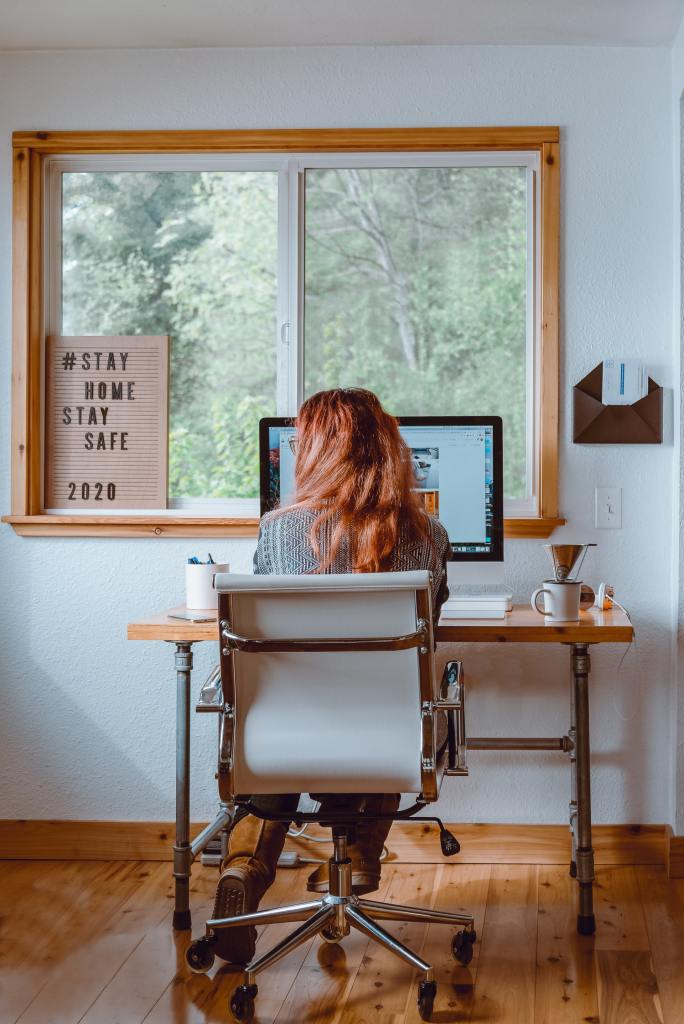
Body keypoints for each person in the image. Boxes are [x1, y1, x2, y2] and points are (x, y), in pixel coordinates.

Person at [212, 388, 451, 964]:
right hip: (386, 741)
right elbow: (428, 633)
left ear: (314, 453)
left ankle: (245, 868)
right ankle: (363, 851)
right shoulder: (430, 536)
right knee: (398, 705)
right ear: (390, 450)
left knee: (268, 707)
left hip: (285, 738)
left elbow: (264, 640)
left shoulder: (276, 530)